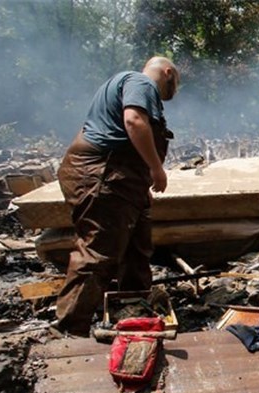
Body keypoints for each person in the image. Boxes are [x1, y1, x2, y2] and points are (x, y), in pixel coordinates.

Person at [54, 56, 179, 336]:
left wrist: (141, 184)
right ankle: (69, 332)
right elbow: (134, 121)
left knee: (136, 247)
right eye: (176, 84)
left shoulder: (124, 85)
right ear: (168, 72)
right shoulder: (141, 82)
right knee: (98, 252)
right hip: (103, 177)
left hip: (119, 180)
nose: (174, 93)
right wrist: (156, 169)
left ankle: (134, 313)